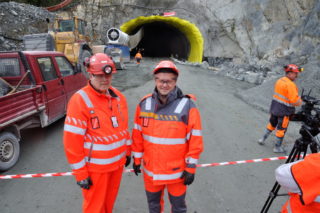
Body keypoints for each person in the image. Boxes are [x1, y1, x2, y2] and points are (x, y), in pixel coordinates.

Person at [131, 60, 204, 213]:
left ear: (175, 82)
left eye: (168, 81)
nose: (164, 85)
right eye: (161, 80)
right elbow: (138, 135)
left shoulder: (188, 106)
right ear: (155, 80)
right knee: (154, 207)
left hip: (176, 174)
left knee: (178, 208)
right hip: (151, 172)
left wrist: (191, 167)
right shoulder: (144, 104)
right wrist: (137, 159)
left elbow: (195, 140)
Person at [63, 53, 131, 213]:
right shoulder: (80, 100)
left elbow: (124, 130)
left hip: (117, 166)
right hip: (96, 170)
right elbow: (72, 142)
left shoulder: (119, 98)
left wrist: (127, 152)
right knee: (94, 207)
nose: (104, 79)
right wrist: (80, 173)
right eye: (99, 75)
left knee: (108, 204)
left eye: (108, 75)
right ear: (90, 74)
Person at [258, 64, 303, 153]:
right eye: (295, 74)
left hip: (275, 108)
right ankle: (277, 147)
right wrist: (300, 100)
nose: (297, 76)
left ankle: (262, 139)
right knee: (281, 129)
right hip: (284, 111)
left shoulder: (279, 80)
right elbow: (294, 101)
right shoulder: (290, 85)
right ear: (289, 73)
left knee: (271, 124)